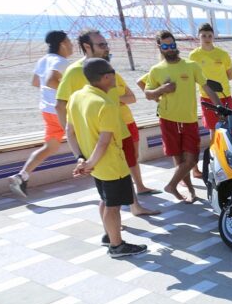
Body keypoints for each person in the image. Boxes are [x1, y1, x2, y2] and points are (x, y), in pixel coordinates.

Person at [54, 29, 156, 215]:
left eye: (106, 44)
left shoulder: (105, 68)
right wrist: (73, 138)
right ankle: (112, 229)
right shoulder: (74, 72)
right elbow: (60, 105)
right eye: (101, 45)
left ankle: (133, 208)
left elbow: (125, 96)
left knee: (123, 171)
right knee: (106, 185)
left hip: (118, 130)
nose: (106, 48)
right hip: (97, 136)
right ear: (87, 46)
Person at [66, 58, 148, 259]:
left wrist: (81, 160)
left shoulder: (76, 97)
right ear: (106, 77)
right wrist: (89, 164)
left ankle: (109, 235)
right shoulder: (105, 104)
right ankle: (117, 246)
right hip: (111, 164)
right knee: (113, 207)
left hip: (94, 164)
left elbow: (69, 131)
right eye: (112, 72)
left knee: (105, 200)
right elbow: (104, 141)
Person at [144, 30, 221, 203]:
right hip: (168, 119)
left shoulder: (190, 65)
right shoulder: (156, 70)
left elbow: (207, 87)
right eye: (166, 46)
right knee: (178, 158)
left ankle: (171, 185)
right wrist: (162, 90)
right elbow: (148, 93)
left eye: (172, 45)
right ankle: (191, 191)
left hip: (189, 119)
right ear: (160, 47)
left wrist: (220, 108)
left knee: (192, 157)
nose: (170, 48)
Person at [9, 31, 74, 198]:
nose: (72, 45)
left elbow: (36, 82)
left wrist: (49, 94)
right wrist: (70, 92)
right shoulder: (61, 62)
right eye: (69, 42)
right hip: (61, 111)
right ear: (62, 44)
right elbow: (50, 81)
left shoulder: (43, 60)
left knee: (50, 147)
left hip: (47, 110)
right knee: (85, 139)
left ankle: (21, 175)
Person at [189, 23, 232, 145]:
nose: (207, 38)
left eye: (210, 35)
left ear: (213, 36)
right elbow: (192, 77)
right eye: (204, 36)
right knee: (213, 129)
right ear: (199, 37)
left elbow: (230, 75)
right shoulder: (193, 55)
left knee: (228, 126)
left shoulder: (223, 54)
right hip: (206, 97)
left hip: (224, 95)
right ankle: (214, 154)